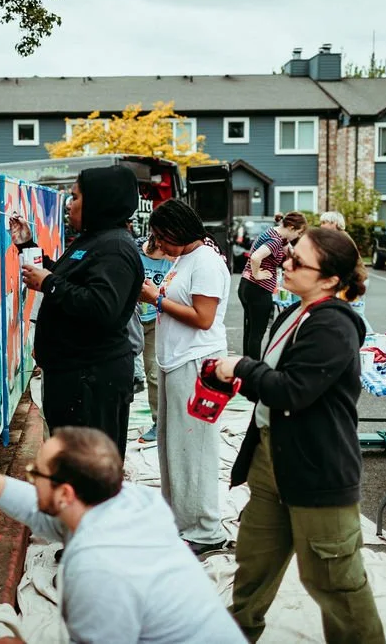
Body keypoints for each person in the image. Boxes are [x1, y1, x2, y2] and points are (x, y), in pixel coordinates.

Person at [213, 227, 385, 643]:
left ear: (329, 280)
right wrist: (236, 380)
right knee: (254, 564)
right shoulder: (295, 311)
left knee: (334, 580)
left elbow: (292, 390)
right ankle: (237, 633)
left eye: (297, 261)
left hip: (317, 469)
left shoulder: (334, 326)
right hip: (272, 460)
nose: (284, 263)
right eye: (288, 253)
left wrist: (240, 368)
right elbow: (270, 382)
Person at [0, 426, 245, 644]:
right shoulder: (133, 501)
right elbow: (35, 507)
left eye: (34, 473)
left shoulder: (95, 566)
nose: (30, 478)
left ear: (66, 493)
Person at [9, 166, 143, 458]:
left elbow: (102, 307)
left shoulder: (115, 248)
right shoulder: (94, 239)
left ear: (99, 201)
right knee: (70, 465)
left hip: (91, 383)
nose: (68, 204)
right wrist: (27, 246)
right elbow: (69, 277)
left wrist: (49, 283)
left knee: (87, 471)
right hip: (74, 377)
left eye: (75, 197)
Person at [137, 199, 231, 556]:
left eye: (162, 238)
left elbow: (203, 317)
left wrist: (155, 299)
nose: (158, 245)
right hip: (177, 360)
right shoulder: (184, 258)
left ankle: (204, 530)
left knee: (194, 449)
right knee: (173, 446)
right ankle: (180, 521)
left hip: (197, 362)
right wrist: (158, 295)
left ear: (179, 232)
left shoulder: (206, 261)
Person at [238, 211, 307, 360]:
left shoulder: (276, 233)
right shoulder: (275, 240)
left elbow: (288, 249)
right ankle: (253, 369)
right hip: (257, 289)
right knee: (257, 334)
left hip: (247, 286)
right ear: (291, 227)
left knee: (250, 330)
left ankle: (246, 366)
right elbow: (256, 257)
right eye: (299, 233)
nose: (299, 236)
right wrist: (258, 274)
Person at [133, 234, 174, 443]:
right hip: (131, 320)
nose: (167, 255)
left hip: (155, 321)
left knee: (154, 374)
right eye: (164, 251)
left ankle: (159, 423)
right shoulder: (133, 253)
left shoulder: (170, 261)